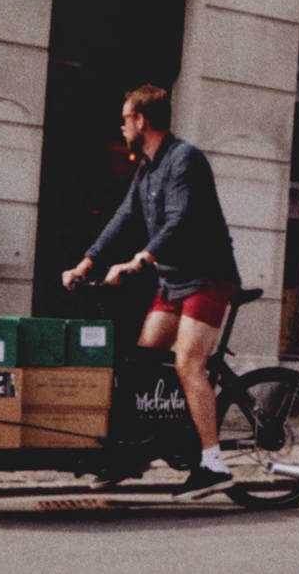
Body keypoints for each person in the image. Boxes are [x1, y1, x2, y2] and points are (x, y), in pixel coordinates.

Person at [62, 84, 241, 501]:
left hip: (208, 278)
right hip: (174, 281)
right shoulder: (146, 168)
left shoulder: (185, 160)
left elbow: (179, 220)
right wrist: (87, 262)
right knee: (143, 365)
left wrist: (138, 261)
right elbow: (124, 217)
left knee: (188, 364)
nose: (122, 125)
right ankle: (136, 456)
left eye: (125, 117)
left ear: (142, 120)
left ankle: (213, 464)